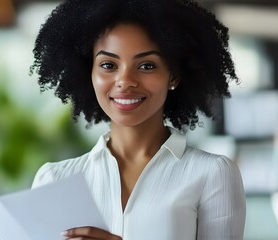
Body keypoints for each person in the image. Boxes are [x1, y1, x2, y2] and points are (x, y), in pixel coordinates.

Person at [30, 0, 246, 239]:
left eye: (146, 65)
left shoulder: (212, 174)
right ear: (88, 71)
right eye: (108, 65)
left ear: (173, 76)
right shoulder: (53, 180)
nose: (125, 81)